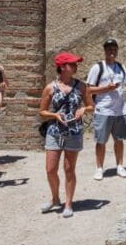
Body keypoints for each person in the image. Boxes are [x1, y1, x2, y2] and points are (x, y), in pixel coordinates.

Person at [39, 52, 92, 218]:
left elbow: (92, 106)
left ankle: (68, 203)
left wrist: (84, 109)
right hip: (54, 132)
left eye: (76, 63)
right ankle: (55, 199)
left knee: (69, 169)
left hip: (74, 131)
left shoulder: (81, 86)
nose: (76, 66)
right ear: (62, 67)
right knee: (50, 169)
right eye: (72, 64)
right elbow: (42, 112)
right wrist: (54, 115)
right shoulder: (50, 88)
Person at [86, 38, 126, 180]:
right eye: (109, 49)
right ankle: (99, 168)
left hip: (120, 110)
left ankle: (120, 166)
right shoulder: (97, 68)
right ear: (105, 51)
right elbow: (88, 89)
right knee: (101, 141)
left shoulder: (121, 67)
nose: (112, 51)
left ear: (117, 50)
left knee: (119, 140)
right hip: (103, 110)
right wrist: (106, 88)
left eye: (114, 49)